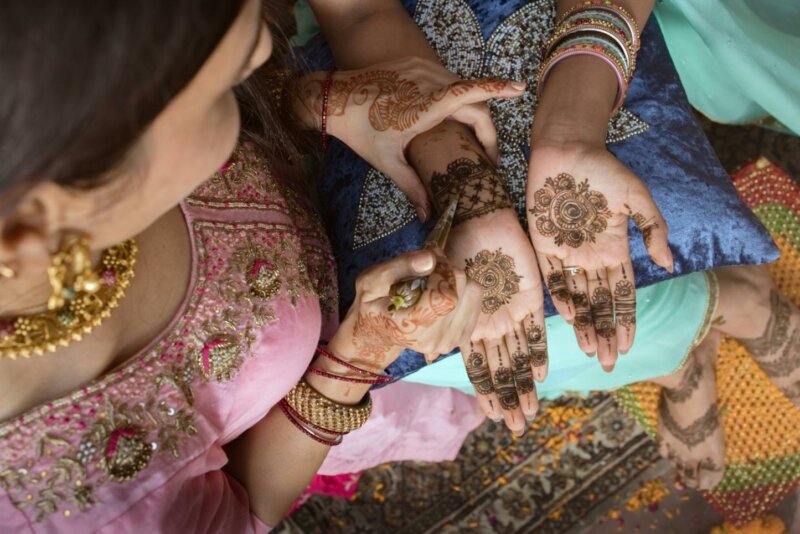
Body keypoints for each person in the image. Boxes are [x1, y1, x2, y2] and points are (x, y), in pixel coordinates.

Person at [0, 0, 533, 530]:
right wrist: (365, 349)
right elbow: (249, 505)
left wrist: (322, 100)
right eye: (216, 94)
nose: (262, 48)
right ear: (37, 227)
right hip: (313, 419)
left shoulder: (65, 119)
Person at [304, 0, 799, 491]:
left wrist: (571, 128)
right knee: (514, 330)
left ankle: (738, 302)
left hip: (580, 34)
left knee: (611, 267)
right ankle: (680, 363)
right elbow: (356, 12)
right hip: (381, 77)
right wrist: (467, 189)